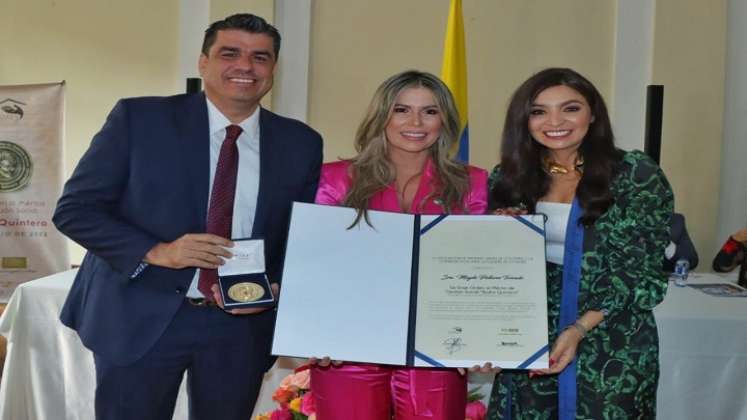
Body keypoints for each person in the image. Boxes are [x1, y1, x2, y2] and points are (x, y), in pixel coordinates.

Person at [53, 14, 322, 420]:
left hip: (241, 327)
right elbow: (75, 210)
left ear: (273, 69)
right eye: (229, 53)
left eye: (260, 57)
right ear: (203, 62)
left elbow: (300, 237)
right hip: (139, 314)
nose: (245, 66)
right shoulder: (140, 120)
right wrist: (159, 251)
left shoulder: (301, 143)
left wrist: (276, 288)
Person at [486, 68, 673, 419]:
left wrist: (579, 328)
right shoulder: (509, 177)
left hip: (611, 332)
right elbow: (496, 268)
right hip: (533, 330)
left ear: (593, 115)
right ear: (524, 121)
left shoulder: (634, 173)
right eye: (538, 111)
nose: (554, 121)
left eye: (570, 108)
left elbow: (641, 270)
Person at [309, 70, 488, 419]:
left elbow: (476, 271)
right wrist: (314, 332)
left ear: (444, 121)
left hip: (437, 352)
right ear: (382, 117)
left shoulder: (472, 182)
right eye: (401, 110)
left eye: (430, 111)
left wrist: (480, 337)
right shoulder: (334, 178)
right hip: (349, 348)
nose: (416, 122)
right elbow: (315, 264)